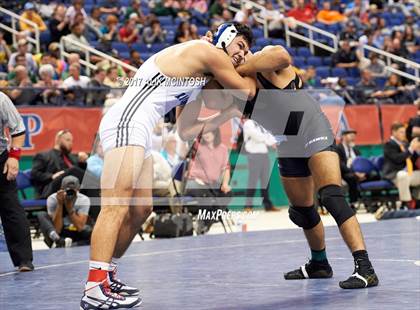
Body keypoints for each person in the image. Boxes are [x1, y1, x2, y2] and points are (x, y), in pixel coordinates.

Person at [80, 22, 266, 309]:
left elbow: (186, 129)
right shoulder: (207, 51)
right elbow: (248, 90)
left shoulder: (198, 75)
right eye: (241, 46)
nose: (243, 54)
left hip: (139, 126)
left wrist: (229, 111)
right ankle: (94, 286)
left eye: (247, 51)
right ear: (224, 38)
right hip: (127, 120)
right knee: (116, 204)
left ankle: (108, 274)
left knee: (142, 208)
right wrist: (257, 69)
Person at [231, 43, 378, 288]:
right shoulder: (234, 83)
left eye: (241, 49)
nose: (237, 55)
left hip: (313, 129)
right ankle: (319, 264)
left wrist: (240, 64)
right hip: (288, 144)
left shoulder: (265, 62)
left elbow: (282, 55)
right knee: (303, 211)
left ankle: (365, 268)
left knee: (332, 196)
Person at [0, 91, 34, 271]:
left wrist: (14, 157)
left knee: (10, 207)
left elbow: (18, 129)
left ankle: (23, 260)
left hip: (0, 160)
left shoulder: (1, 99)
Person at [31, 129, 88, 198]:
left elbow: (81, 174)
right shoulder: (43, 155)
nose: (70, 143)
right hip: (49, 190)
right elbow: (34, 173)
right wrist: (52, 176)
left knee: (85, 176)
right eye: (68, 140)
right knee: (72, 171)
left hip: (71, 188)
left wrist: (82, 163)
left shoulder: (71, 157)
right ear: (58, 140)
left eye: (72, 141)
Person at [37, 176, 91, 248]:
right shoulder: (53, 199)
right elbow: (57, 229)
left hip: (76, 231)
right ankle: (58, 240)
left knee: (89, 230)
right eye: (68, 191)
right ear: (61, 189)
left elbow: (80, 227)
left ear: (78, 190)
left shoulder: (84, 200)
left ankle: (69, 244)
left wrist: (70, 209)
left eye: (73, 191)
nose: (70, 194)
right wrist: (60, 204)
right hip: (60, 233)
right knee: (41, 215)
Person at [242, 118, 278, 211]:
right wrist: (268, 141)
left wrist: (272, 141)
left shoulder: (262, 124)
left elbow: (269, 136)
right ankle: (248, 206)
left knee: (265, 182)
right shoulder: (248, 123)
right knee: (252, 181)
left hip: (264, 155)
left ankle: (268, 206)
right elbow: (257, 136)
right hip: (254, 155)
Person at [383, 123, 420, 209]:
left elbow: (413, 160)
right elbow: (397, 159)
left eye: (404, 132)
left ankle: (417, 200)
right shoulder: (388, 144)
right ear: (394, 132)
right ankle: (406, 204)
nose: (404, 134)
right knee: (402, 175)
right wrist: (411, 149)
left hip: (409, 173)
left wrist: (417, 150)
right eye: (401, 132)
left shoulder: (405, 144)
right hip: (394, 174)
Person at [336, 129, 364, 207]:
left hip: (358, 172)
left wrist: (363, 172)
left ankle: (372, 201)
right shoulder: (339, 148)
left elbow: (361, 161)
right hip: (344, 173)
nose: (353, 138)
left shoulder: (355, 149)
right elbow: (340, 164)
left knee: (374, 175)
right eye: (351, 136)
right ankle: (353, 202)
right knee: (352, 177)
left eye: (354, 136)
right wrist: (355, 173)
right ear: (344, 136)